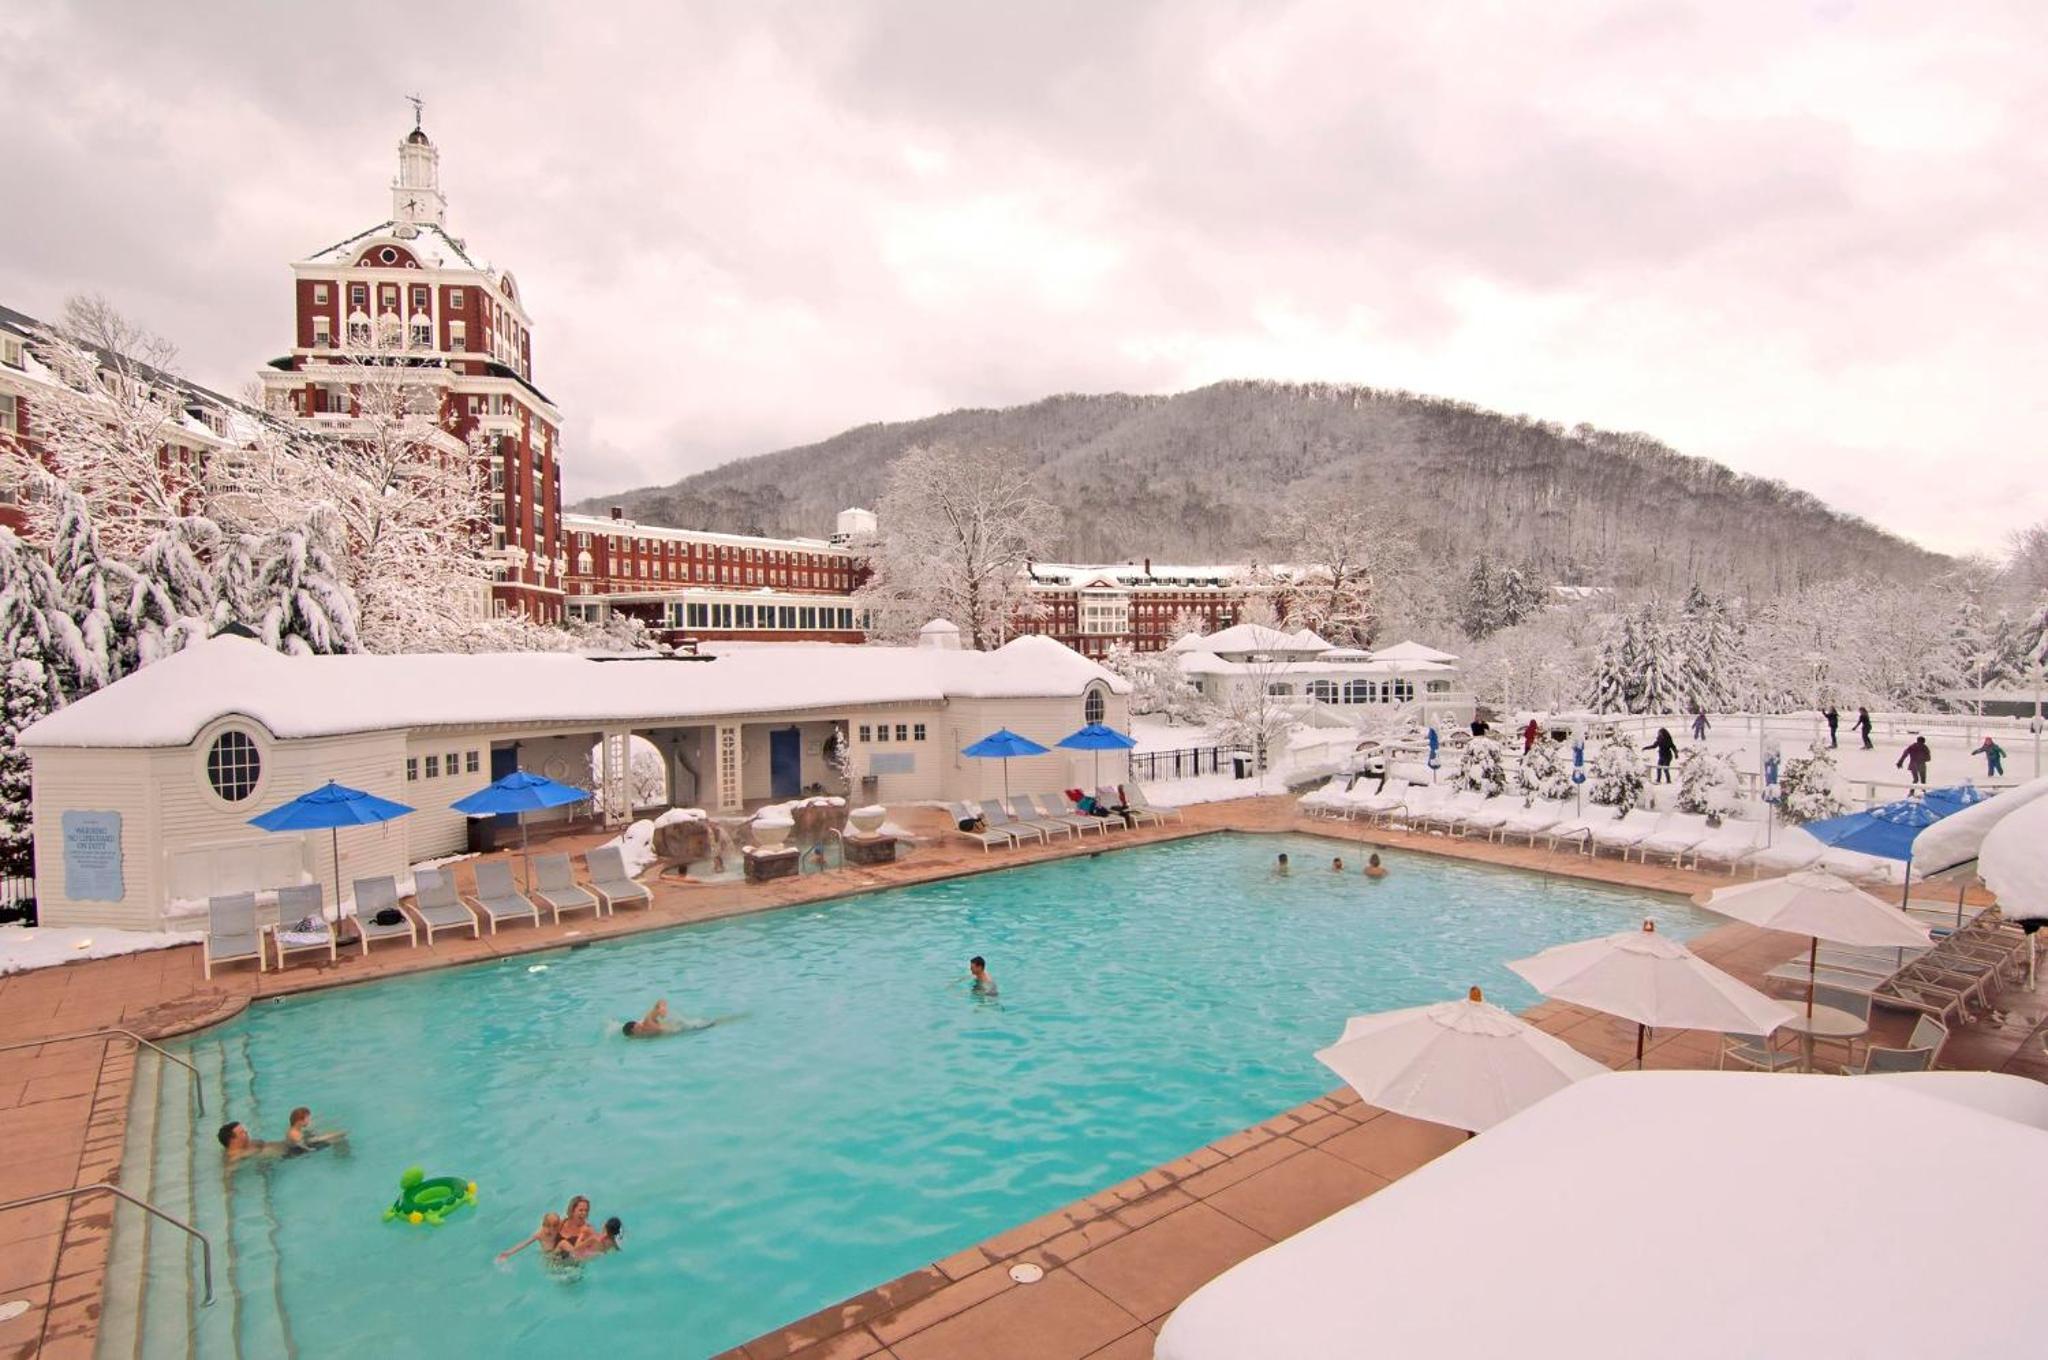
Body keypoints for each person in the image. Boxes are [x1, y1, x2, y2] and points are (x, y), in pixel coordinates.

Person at [497, 1212, 562, 1263]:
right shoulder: (539, 1234)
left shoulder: (559, 1229)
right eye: (548, 1226)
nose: (551, 1229)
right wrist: (509, 1253)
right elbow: (524, 1244)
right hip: (548, 1256)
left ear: (558, 1226)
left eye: (554, 1227)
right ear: (543, 1225)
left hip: (560, 1254)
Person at [215, 1121, 285, 1163]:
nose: (246, 1132)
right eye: (242, 1132)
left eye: (244, 1131)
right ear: (233, 1140)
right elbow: (227, 1176)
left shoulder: (248, 1144)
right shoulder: (233, 1159)